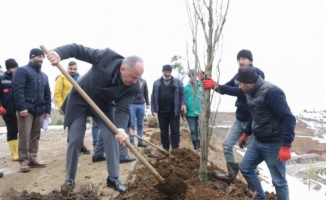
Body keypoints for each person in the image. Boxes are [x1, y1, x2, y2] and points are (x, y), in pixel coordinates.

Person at [46, 43, 144, 193]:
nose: (135, 82)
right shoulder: (106, 57)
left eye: (138, 78)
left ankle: (113, 178)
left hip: (104, 106)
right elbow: (77, 50)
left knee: (112, 135)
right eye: (133, 77)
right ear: (122, 68)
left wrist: (121, 129)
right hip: (80, 99)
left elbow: (123, 108)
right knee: (75, 138)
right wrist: (58, 53)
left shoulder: (134, 86)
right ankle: (69, 180)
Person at [201, 49, 265, 183]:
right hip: (240, 118)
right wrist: (213, 83)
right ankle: (231, 172)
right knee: (227, 144)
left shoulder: (257, 74)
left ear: (250, 60)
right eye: (239, 59)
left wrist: (217, 86)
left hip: (253, 120)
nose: (241, 61)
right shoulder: (238, 75)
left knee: (251, 155)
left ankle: (253, 187)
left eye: (244, 58)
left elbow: (241, 92)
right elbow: (226, 87)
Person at [236, 66, 295, 200]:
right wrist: (246, 133)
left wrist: (286, 145)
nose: (239, 87)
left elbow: (288, 118)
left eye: (240, 84)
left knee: (279, 182)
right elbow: (255, 113)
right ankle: (260, 198)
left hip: (274, 144)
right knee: (245, 167)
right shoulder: (250, 92)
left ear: (249, 83)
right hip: (258, 141)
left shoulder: (272, 93)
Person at [12, 48, 51, 173]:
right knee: (24, 135)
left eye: (42, 57)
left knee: (35, 136)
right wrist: (21, 107)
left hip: (39, 110)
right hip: (26, 110)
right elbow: (17, 90)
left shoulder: (44, 76)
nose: (41, 59)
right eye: (38, 56)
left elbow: (47, 95)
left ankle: (33, 158)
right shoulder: (22, 71)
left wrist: (47, 111)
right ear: (31, 57)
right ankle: (23, 160)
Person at [54, 61, 91, 154]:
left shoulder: (81, 78)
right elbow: (57, 94)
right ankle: (73, 146)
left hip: (80, 106)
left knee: (81, 127)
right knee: (72, 127)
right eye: (71, 69)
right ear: (67, 68)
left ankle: (80, 144)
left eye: (75, 69)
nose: (73, 71)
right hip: (68, 107)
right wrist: (60, 107)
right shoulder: (61, 79)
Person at [151, 65, 186, 151]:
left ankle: (175, 148)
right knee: (163, 131)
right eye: (165, 72)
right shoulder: (156, 83)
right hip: (161, 111)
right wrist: (153, 108)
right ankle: (165, 148)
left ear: (171, 72)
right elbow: (153, 97)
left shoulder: (178, 82)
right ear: (162, 72)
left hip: (174, 111)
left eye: (169, 72)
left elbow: (182, 94)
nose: (167, 73)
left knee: (175, 130)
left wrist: (183, 104)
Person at [0, 59, 19, 161]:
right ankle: (14, 153)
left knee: (23, 131)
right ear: (8, 68)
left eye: (16, 67)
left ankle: (22, 151)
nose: (15, 69)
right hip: (7, 110)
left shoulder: (20, 77)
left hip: (20, 109)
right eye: (13, 67)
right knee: (12, 130)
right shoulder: (1, 79)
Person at [184, 70, 202, 150]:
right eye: (191, 76)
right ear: (189, 77)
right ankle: (196, 146)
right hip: (190, 112)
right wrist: (183, 112)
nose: (192, 77)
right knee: (193, 129)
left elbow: (206, 97)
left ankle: (201, 144)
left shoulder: (201, 85)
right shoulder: (185, 88)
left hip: (201, 112)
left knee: (201, 129)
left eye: (194, 75)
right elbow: (184, 100)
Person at [129, 77, 149, 147]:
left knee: (140, 124)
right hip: (132, 104)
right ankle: (131, 141)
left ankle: (140, 141)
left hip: (141, 104)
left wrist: (148, 103)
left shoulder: (144, 81)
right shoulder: (131, 80)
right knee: (131, 123)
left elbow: (146, 93)